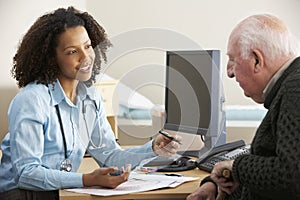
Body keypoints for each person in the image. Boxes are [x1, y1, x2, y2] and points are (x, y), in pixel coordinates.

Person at [0, 6, 181, 199]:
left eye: (87, 46)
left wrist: (152, 148)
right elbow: (26, 174)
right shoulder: (32, 100)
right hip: (20, 194)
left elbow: (110, 157)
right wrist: (87, 179)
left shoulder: (90, 98)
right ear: (52, 58)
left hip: (60, 192)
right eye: (72, 52)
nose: (86, 57)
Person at [187, 14, 300, 200]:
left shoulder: (295, 89)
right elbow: (268, 171)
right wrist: (215, 185)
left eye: (233, 60)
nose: (229, 73)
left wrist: (237, 167)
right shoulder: (289, 87)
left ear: (256, 60)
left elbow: (292, 176)